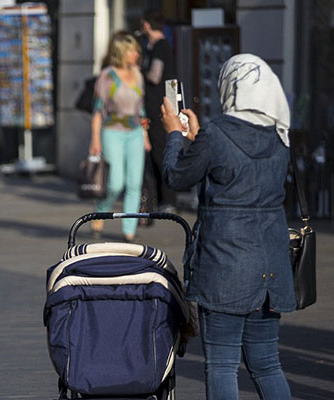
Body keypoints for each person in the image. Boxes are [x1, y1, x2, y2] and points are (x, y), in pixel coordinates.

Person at [160, 53, 295, 399]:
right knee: (266, 363)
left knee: (221, 363)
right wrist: (199, 140)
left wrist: (175, 135)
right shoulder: (280, 135)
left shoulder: (217, 134)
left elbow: (176, 176)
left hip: (226, 266)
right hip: (271, 267)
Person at [88, 31, 150, 241]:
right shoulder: (107, 76)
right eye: (133, 51)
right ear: (122, 52)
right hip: (112, 131)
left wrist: (145, 135)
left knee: (134, 183)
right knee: (115, 183)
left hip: (134, 133)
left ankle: (129, 231)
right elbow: (97, 110)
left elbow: (141, 109)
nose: (136, 54)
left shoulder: (138, 74)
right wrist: (95, 140)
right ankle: (101, 208)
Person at [141, 9, 177, 213]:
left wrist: (138, 73)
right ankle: (163, 198)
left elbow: (155, 75)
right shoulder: (159, 45)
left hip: (157, 107)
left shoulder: (159, 46)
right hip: (159, 105)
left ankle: (168, 199)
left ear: (146, 25)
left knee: (160, 151)